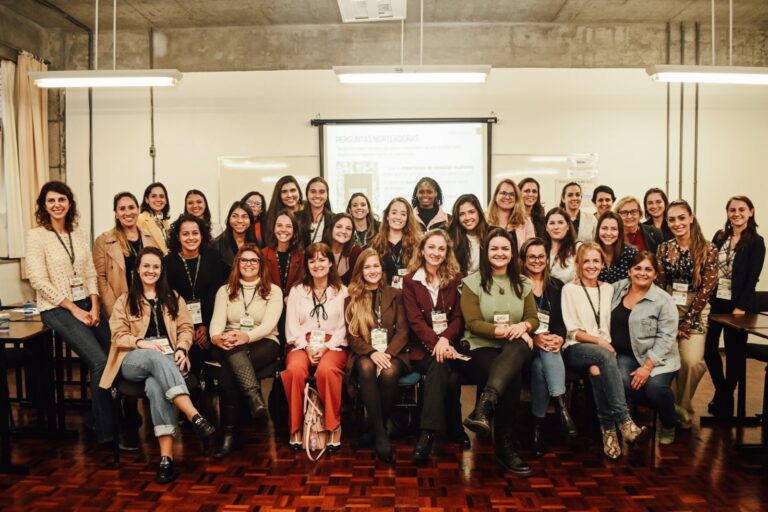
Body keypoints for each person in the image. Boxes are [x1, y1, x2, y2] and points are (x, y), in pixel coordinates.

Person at [100, 247, 216, 483]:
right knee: (154, 356)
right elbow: (117, 336)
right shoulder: (125, 300)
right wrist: (141, 342)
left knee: (155, 386)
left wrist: (183, 348)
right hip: (133, 359)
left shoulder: (174, 298)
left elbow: (186, 328)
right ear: (137, 270)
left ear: (161, 270)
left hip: (169, 360)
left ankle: (166, 459)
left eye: (155, 266)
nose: (150, 270)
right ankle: (193, 414)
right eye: (146, 266)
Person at [27, 181, 114, 444]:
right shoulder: (36, 235)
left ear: (70, 203)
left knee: (114, 356)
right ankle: (108, 432)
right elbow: (38, 280)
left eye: (62, 200)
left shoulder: (78, 234)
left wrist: (95, 305)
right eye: (51, 201)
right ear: (44, 205)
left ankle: (96, 420)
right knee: (99, 363)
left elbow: (89, 273)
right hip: (56, 308)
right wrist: (75, 309)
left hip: (87, 305)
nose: (57, 205)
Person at [459, 228, 537, 476]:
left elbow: (532, 318)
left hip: (511, 349)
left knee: (515, 354)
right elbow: (473, 323)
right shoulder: (472, 283)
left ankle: (485, 407)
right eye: (494, 248)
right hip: (479, 347)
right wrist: (511, 331)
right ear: (486, 252)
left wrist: (524, 326)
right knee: (511, 376)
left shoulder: (523, 283)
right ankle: (504, 446)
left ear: (512, 253)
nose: (500, 253)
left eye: (505, 248)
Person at [561, 242, 649, 459]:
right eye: (586, 261)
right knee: (602, 355)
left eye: (596, 261)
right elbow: (572, 331)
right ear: (578, 264)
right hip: (576, 348)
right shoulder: (569, 289)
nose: (591, 265)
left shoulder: (609, 289)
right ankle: (625, 422)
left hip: (602, 355)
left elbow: (641, 278)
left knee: (597, 369)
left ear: (603, 264)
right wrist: (599, 342)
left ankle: (608, 433)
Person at [209, 244, 283, 457]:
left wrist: (246, 336)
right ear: (237, 264)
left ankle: (229, 435)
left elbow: (268, 325)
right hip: (230, 342)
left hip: (265, 342)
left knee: (228, 367)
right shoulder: (224, 291)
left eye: (254, 260)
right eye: (244, 260)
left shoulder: (273, 290)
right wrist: (217, 337)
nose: (249, 264)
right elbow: (217, 323)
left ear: (261, 265)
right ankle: (253, 398)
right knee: (228, 369)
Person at [402, 229, 467, 462]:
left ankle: (428, 433)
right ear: (422, 249)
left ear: (447, 252)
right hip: (422, 349)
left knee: (449, 375)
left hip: (449, 345)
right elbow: (414, 321)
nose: (436, 253)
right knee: (443, 370)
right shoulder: (410, 281)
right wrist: (436, 343)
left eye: (441, 248)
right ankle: (444, 429)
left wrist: (445, 340)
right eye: (431, 247)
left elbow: (459, 317)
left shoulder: (456, 278)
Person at [656, 199, 718, 429]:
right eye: (672, 219)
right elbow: (661, 286)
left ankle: (680, 406)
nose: (677, 223)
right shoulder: (663, 249)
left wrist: (687, 321)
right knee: (669, 361)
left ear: (691, 217)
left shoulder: (709, 249)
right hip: (669, 306)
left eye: (681, 217)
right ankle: (672, 412)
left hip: (697, 307)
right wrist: (669, 319)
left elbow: (707, 289)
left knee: (691, 362)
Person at [282, 243, 349, 450]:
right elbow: (291, 326)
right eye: (312, 261)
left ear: (330, 263)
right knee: (294, 370)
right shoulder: (296, 290)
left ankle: (333, 426)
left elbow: (344, 327)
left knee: (327, 371)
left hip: (333, 344)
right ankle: (295, 428)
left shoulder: (342, 291)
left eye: (322, 260)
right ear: (307, 265)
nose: (317, 264)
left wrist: (327, 347)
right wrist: (307, 347)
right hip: (302, 342)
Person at [344, 249, 409, 462]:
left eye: (376, 266)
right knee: (365, 367)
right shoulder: (352, 298)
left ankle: (373, 431)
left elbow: (402, 332)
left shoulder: (396, 294)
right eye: (367, 266)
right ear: (361, 271)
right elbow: (353, 337)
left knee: (389, 372)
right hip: (365, 352)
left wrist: (386, 354)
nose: (373, 270)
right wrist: (372, 353)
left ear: (382, 269)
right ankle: (381, 433)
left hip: (393, 352)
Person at [705, 196, 765, 417]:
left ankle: (726, 394)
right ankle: (723, 391)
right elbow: (710, 269)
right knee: (709, 347)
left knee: (734, 352)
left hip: (739, 305)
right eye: (732, 210)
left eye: (741, 209)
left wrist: (740, 306)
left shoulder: (756, 242)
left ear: (751, 211)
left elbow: (752, 278)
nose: (736, 213)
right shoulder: (720, 237)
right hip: (717, 301)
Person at [612, 252, 680, 444]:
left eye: (648, 269)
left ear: (655, 274)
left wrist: (648, 366)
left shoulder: (663, 300)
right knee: (624, 384)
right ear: (629, 271)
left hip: (659, 358)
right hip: (626, 355)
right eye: (638, 268)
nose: (642, 273)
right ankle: (670, 407)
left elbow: (667, 338)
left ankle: (669, 423)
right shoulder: (617, 289)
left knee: (655, 389)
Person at [520, 238, 575, 456]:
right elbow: (516, 319)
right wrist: (535, 339)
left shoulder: (556, 286)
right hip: (526, 347)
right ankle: (562, 409)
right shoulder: (518, 285)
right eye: (531, 256)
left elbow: (561, 321)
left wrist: (560, 338)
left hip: (551, 346)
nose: (536, 260)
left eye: (540, 256)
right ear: (524, 260)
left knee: (541, 368)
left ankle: (536, 430)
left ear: (547, 258)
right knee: (541, 358)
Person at [165, 214, 226, 373]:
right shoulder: (168, 262)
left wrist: (205, 326)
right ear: (178, 236)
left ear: (202, 235)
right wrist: (188, 330)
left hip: (210, 324)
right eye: (185, 234)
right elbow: (169, 299)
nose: (191, 237)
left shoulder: (213, 257)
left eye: (195, 233)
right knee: (189, 354)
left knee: (207, 353)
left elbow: (216, 294)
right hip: (180, 326)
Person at [93, 191, 157, 317]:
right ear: (116, 214)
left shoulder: (151, 239)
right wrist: (115, 311)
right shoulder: (103, 241)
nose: (128, 213)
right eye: (122, 209)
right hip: (118, 307)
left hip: (146, 306)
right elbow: (100, 279)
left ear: (138, 210)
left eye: (131, 207)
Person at [371, 197, 421, 288]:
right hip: (384, 296)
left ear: (407, 218)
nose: (398, 217)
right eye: (394, 213)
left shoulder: (416, 243)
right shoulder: (376, 244)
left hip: (410, 295)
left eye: (403, 214)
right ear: (387, 216)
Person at [262, 210, 305, 301]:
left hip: (295, 304)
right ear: (273, 228)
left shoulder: (302, 255)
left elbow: (305, 284)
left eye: (288, 226)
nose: (283, 230)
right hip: (269, 303)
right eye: (279, 225)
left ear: (294, 230)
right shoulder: (263, 254)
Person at [447, 194, 490, 276]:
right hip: (459, 283)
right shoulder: (450, 237)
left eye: (471, 212)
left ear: (479, 213)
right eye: (462, 214)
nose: (467, 217)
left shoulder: (491, 234)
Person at [486, 179, 535, 250]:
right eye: (503, 193)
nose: (507, 197)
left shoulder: (525, 222)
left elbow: (531, 250)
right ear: (495, 196)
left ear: (516, 199)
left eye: (512, 194)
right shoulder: (484, 219)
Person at [212, 201, 257, 275]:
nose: (239, 220)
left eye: (244, 216)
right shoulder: (215, 245)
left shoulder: (258, 244)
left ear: (251, 220)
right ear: (229, 219)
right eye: (235, 216)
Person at [596, 211, 638, 283]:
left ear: (619, 232)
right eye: (604, 228)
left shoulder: (631, 254)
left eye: (614, 229)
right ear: (598, 230)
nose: (608, 233)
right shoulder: (590, 253)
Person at [324, 213, 363, 285]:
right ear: (331, 228)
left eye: (348, 228)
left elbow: (358, 283)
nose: (344, 231)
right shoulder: (319, 249)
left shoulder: (356, 251)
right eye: (339, 227)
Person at [263, 176, 303, 246]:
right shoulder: (272, 216)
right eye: (284, 192)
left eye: (293, 190)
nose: (289, 195)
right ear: (279, 195)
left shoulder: (308, 209)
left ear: (299, 191)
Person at [544, 207, 580, 284]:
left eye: (560, 222)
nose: (556, 227)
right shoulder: (542, 251)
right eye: (552, 223)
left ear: (567, 226)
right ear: (546, 227)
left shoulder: (577, 248)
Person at [298, 177, 334, 246]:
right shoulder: (296, 218)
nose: (317, 195)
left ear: (327, 195)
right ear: (307, 194)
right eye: (313, 191)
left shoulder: (334, 219)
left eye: (322, 192)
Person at [137, 182, 171, 255]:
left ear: (166, 200)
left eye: (161, 196)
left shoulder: (166, 222)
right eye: (153, 196)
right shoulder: (140, 219)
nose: (158, 199)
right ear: (147, 200)